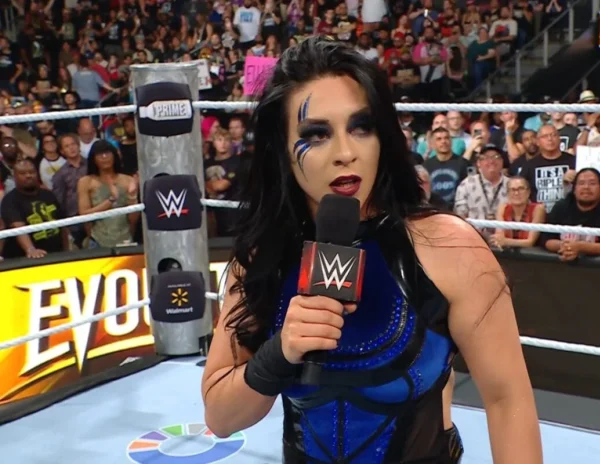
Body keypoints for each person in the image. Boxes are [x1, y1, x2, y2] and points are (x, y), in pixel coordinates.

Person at [201, 37, 541, 464]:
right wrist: (279, 353)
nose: (346, 153)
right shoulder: (261, 257)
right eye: (316, 134)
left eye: (361, 127)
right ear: (281, 149)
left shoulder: (450, 247)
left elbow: (507, 399)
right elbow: (220, 417)